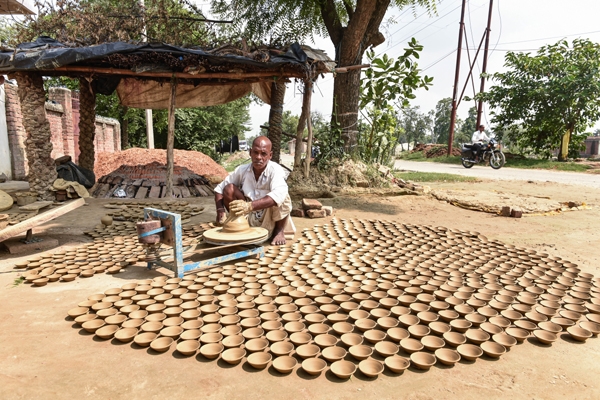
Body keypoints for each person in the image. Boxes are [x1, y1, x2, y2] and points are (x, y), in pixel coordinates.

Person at [214, 136, 295, 245]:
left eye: (263, 154)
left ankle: (278, 231)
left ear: (270, 155)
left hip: (269, 217)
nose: (258, 157)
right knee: (229, 189)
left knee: (283, 196)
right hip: (247, 215)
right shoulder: (242, 170)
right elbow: (219, 189)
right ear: (250, 152)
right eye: (255, 152)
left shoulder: (275, 170)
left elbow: (279, 194)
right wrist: (220, 210)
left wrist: (249, 206)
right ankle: (238, 225)